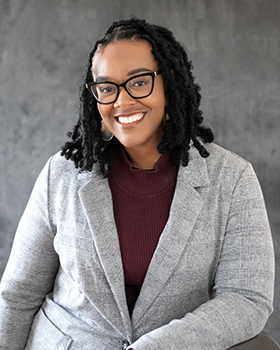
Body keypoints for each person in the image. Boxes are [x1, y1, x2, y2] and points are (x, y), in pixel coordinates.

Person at [0, 18, 275, 350]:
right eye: (106, 87)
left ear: (168, 81)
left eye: (139, 82)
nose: (122, 101)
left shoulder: (231, 179)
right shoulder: (61, 175)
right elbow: (17, 294)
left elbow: (246, 298)